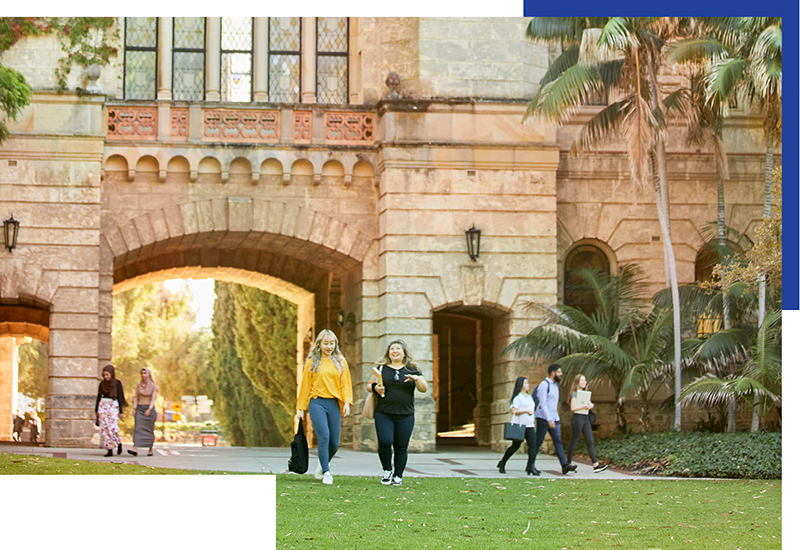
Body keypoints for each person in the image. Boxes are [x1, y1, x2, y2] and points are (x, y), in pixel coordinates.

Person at [367, 339, 428, 486]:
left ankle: (398, 476)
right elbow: (369, 385)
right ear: (388, 352)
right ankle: (387, 470)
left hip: (405, 415)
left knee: (401, 446)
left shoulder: (412, 369)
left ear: (404, 353)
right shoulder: (381, 368)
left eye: (398, 349)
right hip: (384, 413)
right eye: (392, 349)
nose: (395, 351)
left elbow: (424, 388)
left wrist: (417, 379)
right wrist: (375, 388)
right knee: (385, 441)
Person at [296, 329, 353, 485]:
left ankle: (322, 464)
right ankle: (327, 473)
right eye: (326, 343)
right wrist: (300, 408)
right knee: (324, 436)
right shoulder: (311, 363)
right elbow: (305, 386)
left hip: (333, 403)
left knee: (334, 442)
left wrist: (347, 402)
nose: (329, 346)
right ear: (319, 344)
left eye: (332, 343)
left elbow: (345, 384)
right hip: (317, 402)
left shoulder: (340, 361)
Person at [532, 364, 576, 475]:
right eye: (559, 372)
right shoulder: (544, 385)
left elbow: (553, 405)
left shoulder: (555, 385)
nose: (561, 374)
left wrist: (555, 418)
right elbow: (543, 403)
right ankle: (530, 464)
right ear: (553, 373)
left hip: (553, 418)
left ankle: (564, 465)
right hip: (543, 418)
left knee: (558, 441)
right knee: (538, 442)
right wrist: (549, 419)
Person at [497, 377, 539, 476]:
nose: (528, 385)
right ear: (521, 385)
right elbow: (514, 411)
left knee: (533, 445)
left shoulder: (529, 397)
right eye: (525, 383)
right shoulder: (518, 398)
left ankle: (531, 465)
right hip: (520, 425)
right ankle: (502, 462)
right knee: (515, 446)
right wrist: (525, 412)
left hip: (530, 425)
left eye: (528, 383)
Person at [566, 374, 608, 473]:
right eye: (582, 380)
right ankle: (568, 463)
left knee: (590, 440)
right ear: (577, 382)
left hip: (585, 418)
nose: (584, 382)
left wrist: (590, 405)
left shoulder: (585, 394)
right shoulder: (575, 394)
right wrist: (584, 406)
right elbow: (573, 408)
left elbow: (587, 405)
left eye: (585, 380)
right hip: (578, 418)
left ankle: (595, 464)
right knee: (574, 440)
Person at [95, 364, 127, 457]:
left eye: (107, 375)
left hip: (113, 406)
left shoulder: (117, 383)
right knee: (104, 428)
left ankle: (118, 443)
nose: (106, 377)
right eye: (104, 375)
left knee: (112, 427)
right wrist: (96, 410)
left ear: (111, 374)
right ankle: (109, 449)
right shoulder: (102, 384)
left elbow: (120, 397)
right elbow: (98, 396)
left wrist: (121, 411)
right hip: (103, 405)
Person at [129, 368, 159, 457]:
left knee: (149, 430)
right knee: (137, 428)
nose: (143, 375)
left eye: (145, 373)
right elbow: (136, 397)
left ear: (148, 374)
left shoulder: (153, 386)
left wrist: (149, 409)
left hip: (149, 409)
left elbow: (153, 399)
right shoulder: (139, 385)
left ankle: (150, 450)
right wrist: (134, 408)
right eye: (141, 373)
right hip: (140, 408)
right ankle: (135, 449)